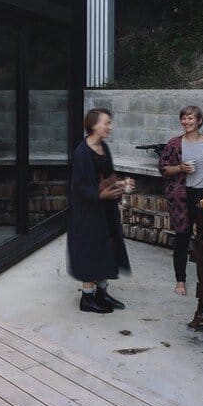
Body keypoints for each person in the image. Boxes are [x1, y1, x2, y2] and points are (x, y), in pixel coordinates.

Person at [67, 108, 132, 313]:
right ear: (94, 125)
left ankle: (102, 293)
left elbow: (108, 176)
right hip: (87, 213)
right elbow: (78, 186)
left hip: (105, 210)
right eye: (107, 123)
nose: (110, 127)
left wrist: (121, 184)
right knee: (90, 250)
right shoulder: (81, 153)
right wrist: (101, 195)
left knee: (107, 248)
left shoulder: (103, 147)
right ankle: (87, 299)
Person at [158, 105, 203, 296]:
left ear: (199, 121)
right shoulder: (174, 144)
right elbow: (163, 169)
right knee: (182, 237)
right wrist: (180, 167)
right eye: (183, 119)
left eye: (190, 118)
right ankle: (180, 281)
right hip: (182, 196)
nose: (186, 122)